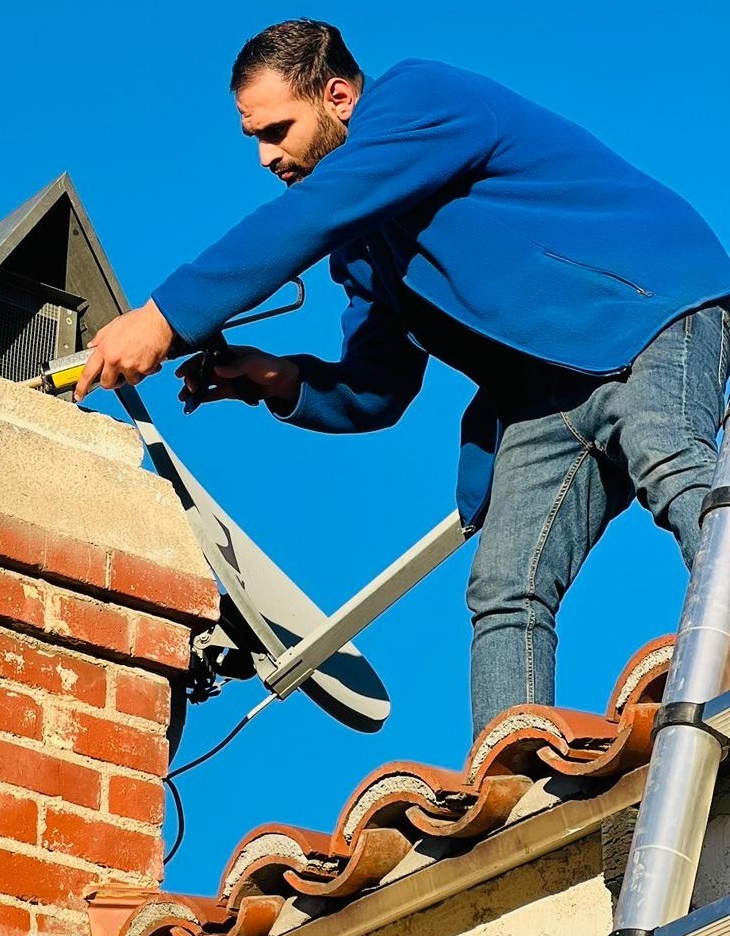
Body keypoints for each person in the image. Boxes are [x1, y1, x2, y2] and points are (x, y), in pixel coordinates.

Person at [72, 18, 730, 736]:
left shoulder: (422, 98)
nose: (265, 157)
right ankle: (510, 779)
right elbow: (377, 386)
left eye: (276, 131)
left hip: (647, 312)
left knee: (669, 458)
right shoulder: (363, 247)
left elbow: (311, 214)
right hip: (544, 397)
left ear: (339, 96)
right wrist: (276, 377)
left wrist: (166, 316)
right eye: (253, 138)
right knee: (504, 587)